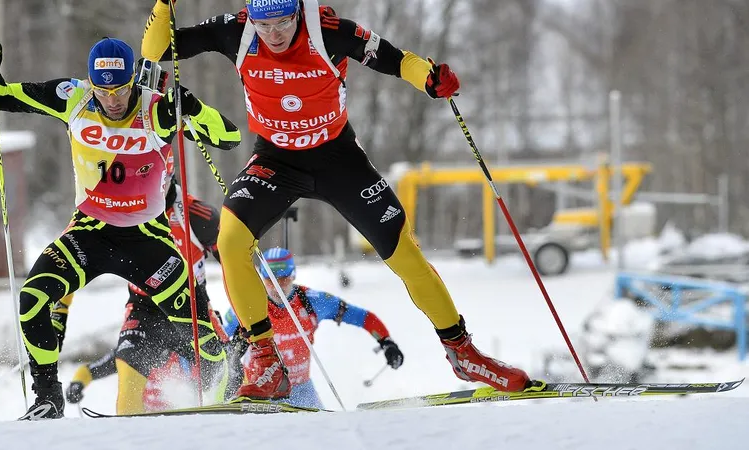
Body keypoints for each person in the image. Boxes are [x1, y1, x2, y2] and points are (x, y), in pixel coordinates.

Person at [142, 0, 531, 400]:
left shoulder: (328, 30)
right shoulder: (235, 31)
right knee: (230, 240)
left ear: (298, 12)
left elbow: (397, 60)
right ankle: (266, 359)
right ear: (250, 18)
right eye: (264, 25)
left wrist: (429, 79)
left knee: (405, 254)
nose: (274, 34)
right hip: (276, 160)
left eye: (283, 23)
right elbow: (156, 52)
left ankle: (462, 352)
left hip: (338, 159)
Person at [0, 36, 242, 419]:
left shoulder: (157, 109)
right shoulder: (73, 98)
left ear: (134, 81)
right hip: (88, 232)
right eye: (103, 90)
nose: (112, 100)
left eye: (120, 89)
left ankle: (219, 393)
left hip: (147, 238)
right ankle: (48, 397)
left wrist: (192, 106)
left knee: (198, 333)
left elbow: (228, 138)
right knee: (32, 298)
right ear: (90, 82)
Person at [54, 176, 244, 414]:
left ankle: (224, 428)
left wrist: (249, 321)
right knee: (127, 363)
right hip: (144, 308)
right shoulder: (114, 210)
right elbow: (69, 256)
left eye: (153, 178)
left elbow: (236, 267)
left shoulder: (195, 214)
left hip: (191, 303)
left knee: (226, 371)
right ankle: (130, 431)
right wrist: (59, 309)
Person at [222, 247, 404, 409]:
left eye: (283, 278)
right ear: (262, 277)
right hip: (261, 390)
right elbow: (220, 339)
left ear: (293, 275)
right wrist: (230, 354)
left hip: (302, 390)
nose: (277, 286)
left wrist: (386, 341)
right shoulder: (248, 305)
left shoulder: (312, 301)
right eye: (271, 280)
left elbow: (362, 317)